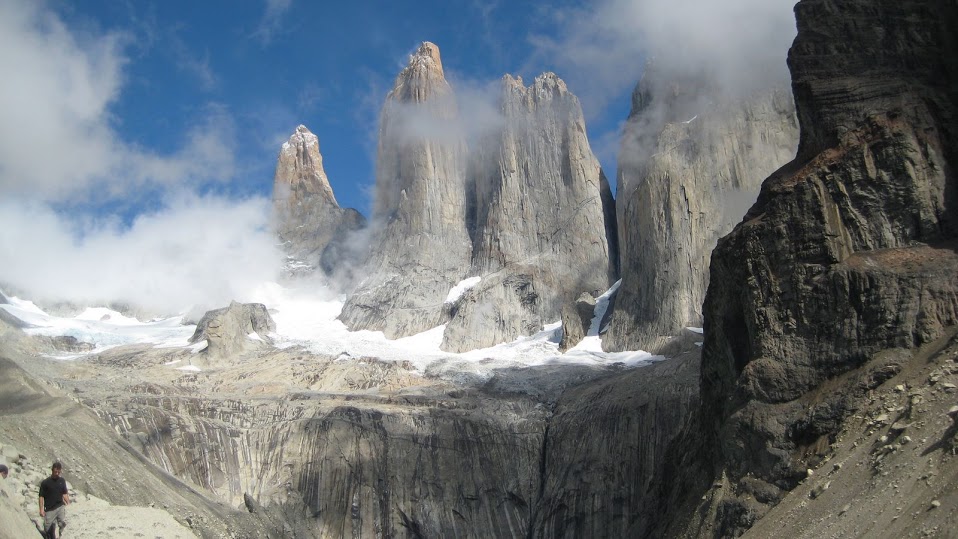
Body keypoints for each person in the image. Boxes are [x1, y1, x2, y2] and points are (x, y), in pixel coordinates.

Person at [38, 461, 69, 538]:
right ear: (52, 470)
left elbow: (64, 493)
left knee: (62, 524)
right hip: (49, 509)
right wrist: (41, 509)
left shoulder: (62, 481)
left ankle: (62, 536)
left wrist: (68, 503)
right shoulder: (45, 483)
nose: (57, 473)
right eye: (56, 471)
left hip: (60, 506)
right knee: (48, 528)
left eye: (59, 471)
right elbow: (41, 496)